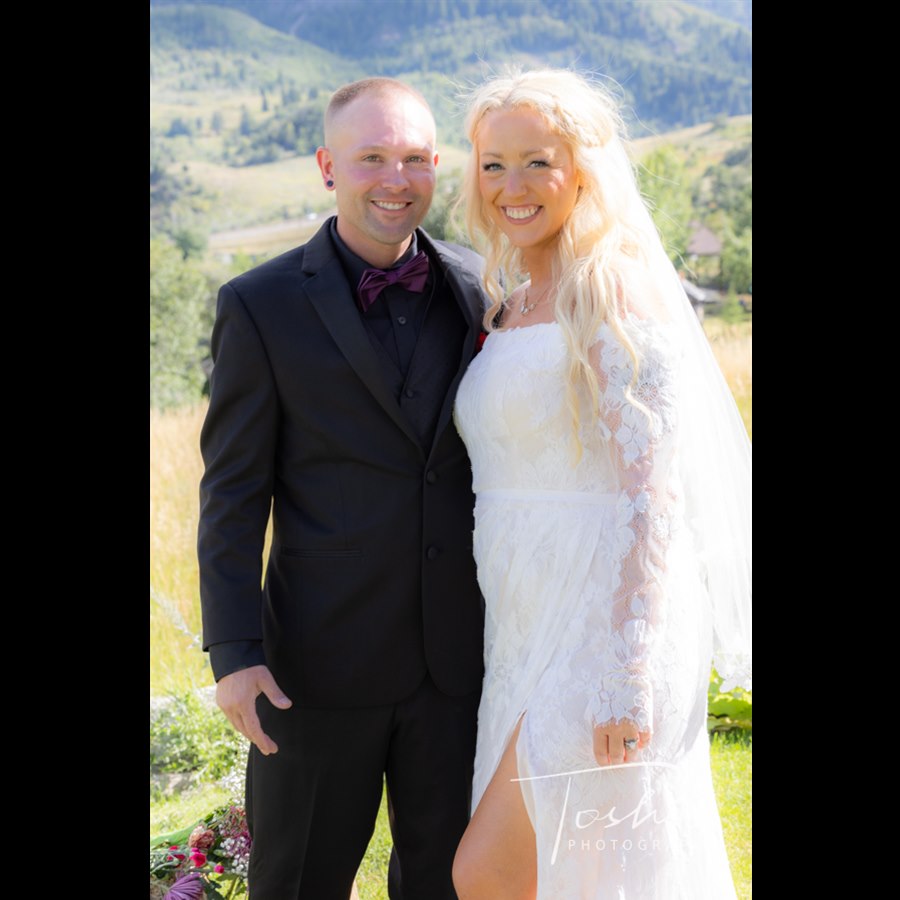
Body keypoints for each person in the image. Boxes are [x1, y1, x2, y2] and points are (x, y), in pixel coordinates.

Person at [451, 69, 752, 898]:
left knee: (490, 873)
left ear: (583, 169)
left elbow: (651, 495)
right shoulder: (509, 303)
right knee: (560, 877)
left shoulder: (612, 288)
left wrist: (628, 667)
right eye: (493, 164)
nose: (512, 187)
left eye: (536, 163)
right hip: (523, 625)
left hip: (607, 628)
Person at [197, 77, 489, 900]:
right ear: (328, 166)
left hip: (460, 667)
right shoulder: (258, 305)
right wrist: (235, 655)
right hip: (314, 672)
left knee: (451, 885)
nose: (396, 179)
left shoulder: (480, 287)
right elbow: (232, 495)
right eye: (372, 158)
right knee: (297, 883)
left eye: (415, 158)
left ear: (438, 166)